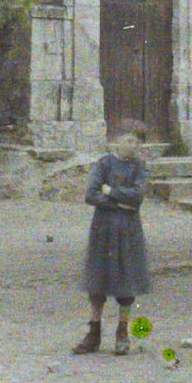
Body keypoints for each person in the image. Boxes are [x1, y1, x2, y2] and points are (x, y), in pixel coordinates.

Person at [73, 120, 152, 356]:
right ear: (117, 141)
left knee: (126, 279)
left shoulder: (139, 168)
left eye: (138, 142)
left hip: (128, 229)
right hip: (104, 228)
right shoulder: (104, 164)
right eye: (129, 140)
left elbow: (137, 196)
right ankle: (94, 333)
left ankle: (122, 332)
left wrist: (111, 192)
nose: (133, 145)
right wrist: (119, 202)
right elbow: (91, 194)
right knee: (98, 278)